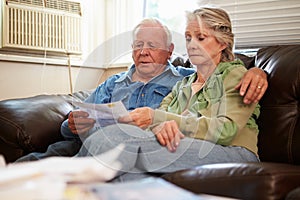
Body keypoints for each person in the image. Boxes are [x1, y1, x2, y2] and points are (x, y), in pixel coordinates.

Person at [16, 15, 267, 162]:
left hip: (128, 147)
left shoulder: (184, 77)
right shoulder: (112, 82)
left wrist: (259, 71)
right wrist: (71, 123)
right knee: (31, 164)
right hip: (82, 145)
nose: (143, 51)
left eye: (152, 45)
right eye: (138, 45)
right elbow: (73, 125)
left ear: (169, 51)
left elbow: (224, 72)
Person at [76, 7, 261, 183]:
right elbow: (160, 120)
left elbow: (224, 131)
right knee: (130, 177)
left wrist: (159, 118)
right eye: (188, 38)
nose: (192, 45)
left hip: (231, 151)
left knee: (118, 138)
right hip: (185, 147)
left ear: (222, 43)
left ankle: (66, 176)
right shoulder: (184, 83)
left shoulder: (236, 76)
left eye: (201, 38)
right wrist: (159, 127)